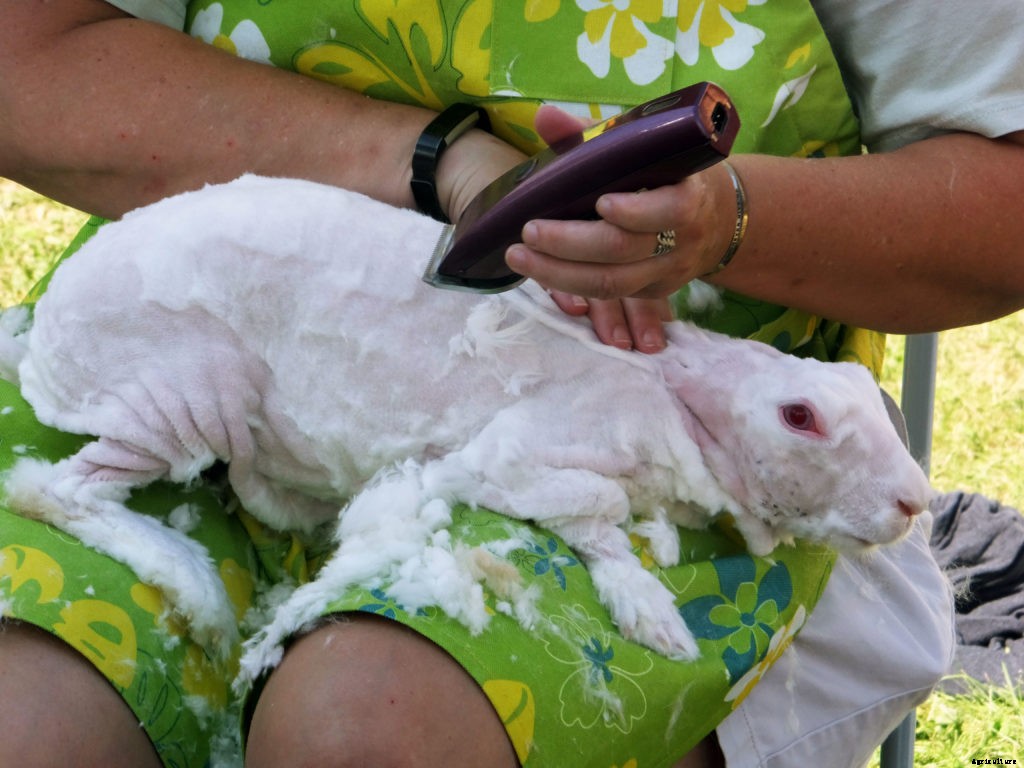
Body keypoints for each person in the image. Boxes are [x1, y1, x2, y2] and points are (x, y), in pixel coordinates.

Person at [0, 2, 1021, 767]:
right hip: (214, 318)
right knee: (25, 717)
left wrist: (725, 217)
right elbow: (29, 57)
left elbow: (1001, 198)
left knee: (369, 731)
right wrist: (434, 161)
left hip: (673, 436)